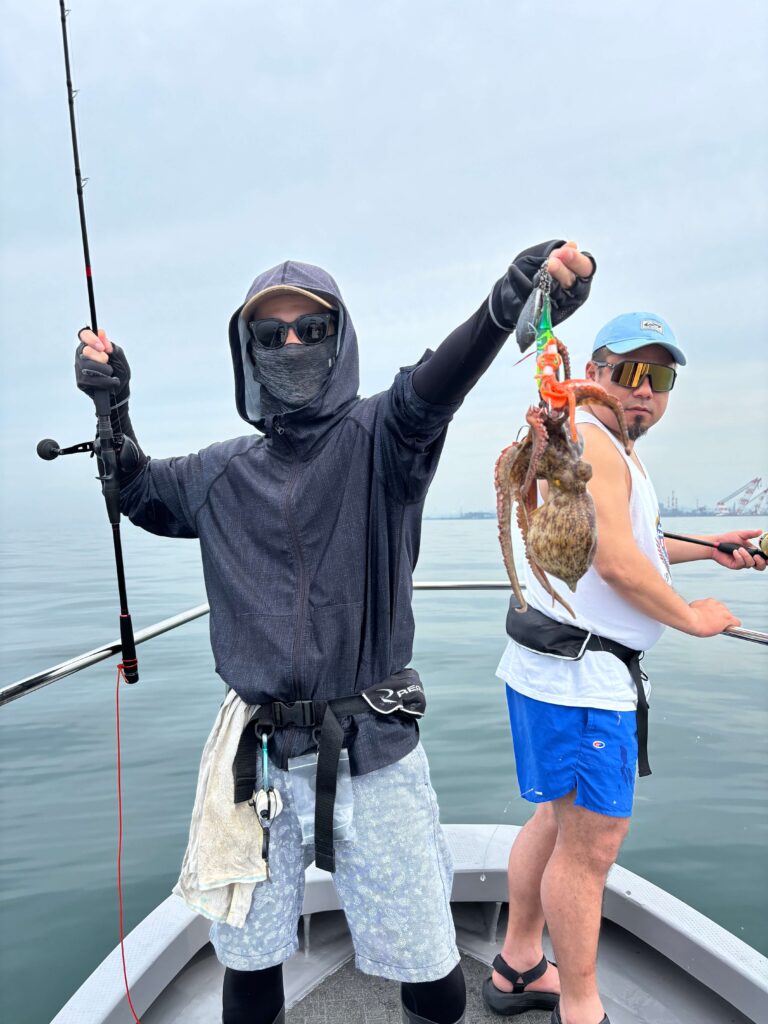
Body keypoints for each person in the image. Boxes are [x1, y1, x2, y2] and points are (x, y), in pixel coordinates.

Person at [75, 241, 596, 1024]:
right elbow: (139, 490)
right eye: (271, 334)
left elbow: (437, 387)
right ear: (246, 352)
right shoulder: (219, 473)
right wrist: (111, 408)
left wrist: (508, 303)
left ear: (339, 340)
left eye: (310, 330)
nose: (291, 345)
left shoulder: (386, 438)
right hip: (254, 767)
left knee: (436, 974)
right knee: (248, 967)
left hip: (375, 752)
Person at [485, 312, 767, 1024]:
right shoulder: (595, 443)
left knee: (555, 824)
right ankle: (583, 1010)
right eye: (629, 372)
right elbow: (613, 565)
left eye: (661, 377)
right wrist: (694, 617)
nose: (644, 390)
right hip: (583, 683)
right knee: (590, 852)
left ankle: (519, 965)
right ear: (595, 372)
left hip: (545, 666)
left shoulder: (600, 445)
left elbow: (627, 541)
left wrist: (712, 548)